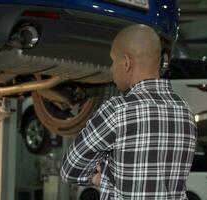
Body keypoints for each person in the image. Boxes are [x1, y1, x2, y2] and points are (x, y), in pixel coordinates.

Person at [61, 24, 197, 200]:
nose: (111, 68)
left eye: (113, 60)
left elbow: (70, 170)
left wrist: (102, 178)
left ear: (126, 63)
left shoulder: (117, 111)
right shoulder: (185, 112)